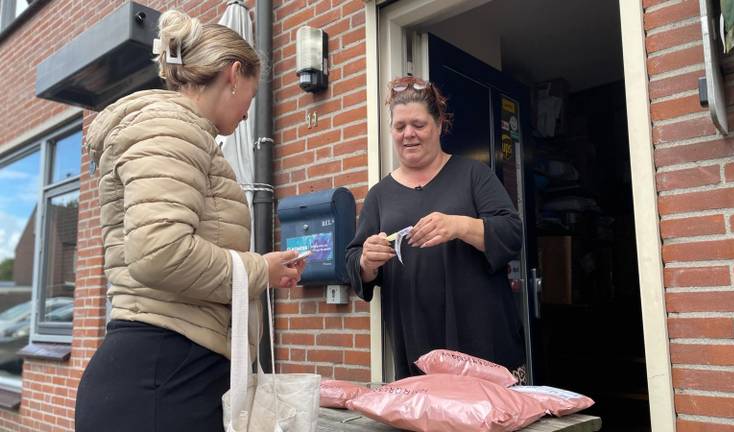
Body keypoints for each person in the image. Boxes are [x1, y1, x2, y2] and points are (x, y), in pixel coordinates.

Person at [75, 10, 304, 432]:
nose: (246, 116)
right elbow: (161, 254)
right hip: (161, 384)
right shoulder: (171, 129)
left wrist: (262, 272)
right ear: (233, 75)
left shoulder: (184, 133)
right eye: (250, 100)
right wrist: (259, 270)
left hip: (169, 375)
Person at [345, 76, 526, 381]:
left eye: (418, 124)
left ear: (439, 124)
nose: (408, 134)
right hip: (417, 347)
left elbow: (511, 233)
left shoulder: (474, 175)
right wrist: (366, 261)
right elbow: (353, 263)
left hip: (484, 342)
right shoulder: (379, 194)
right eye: (400, 127)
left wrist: (459, 225)